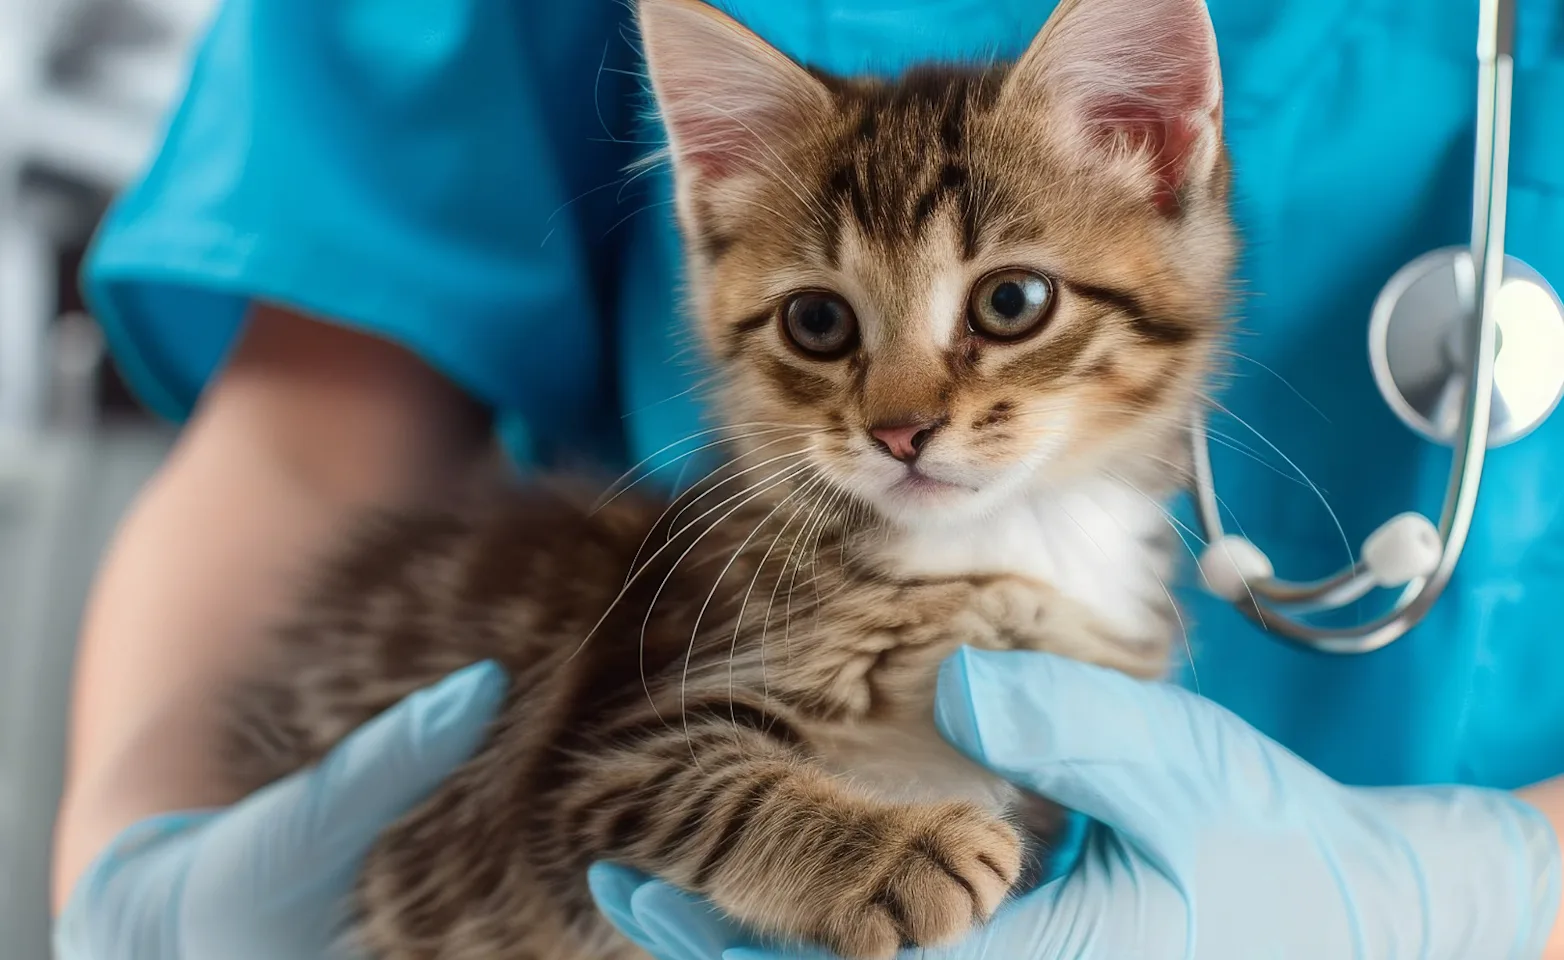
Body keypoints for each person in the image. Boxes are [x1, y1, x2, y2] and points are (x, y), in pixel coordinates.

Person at [47, 0, 1564, 956]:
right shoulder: (746, 597)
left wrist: (1484, 887)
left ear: (1158, 157)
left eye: (1010, 307)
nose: (904, 410)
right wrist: (135, 852)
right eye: (825, 326)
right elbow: (312, 441)